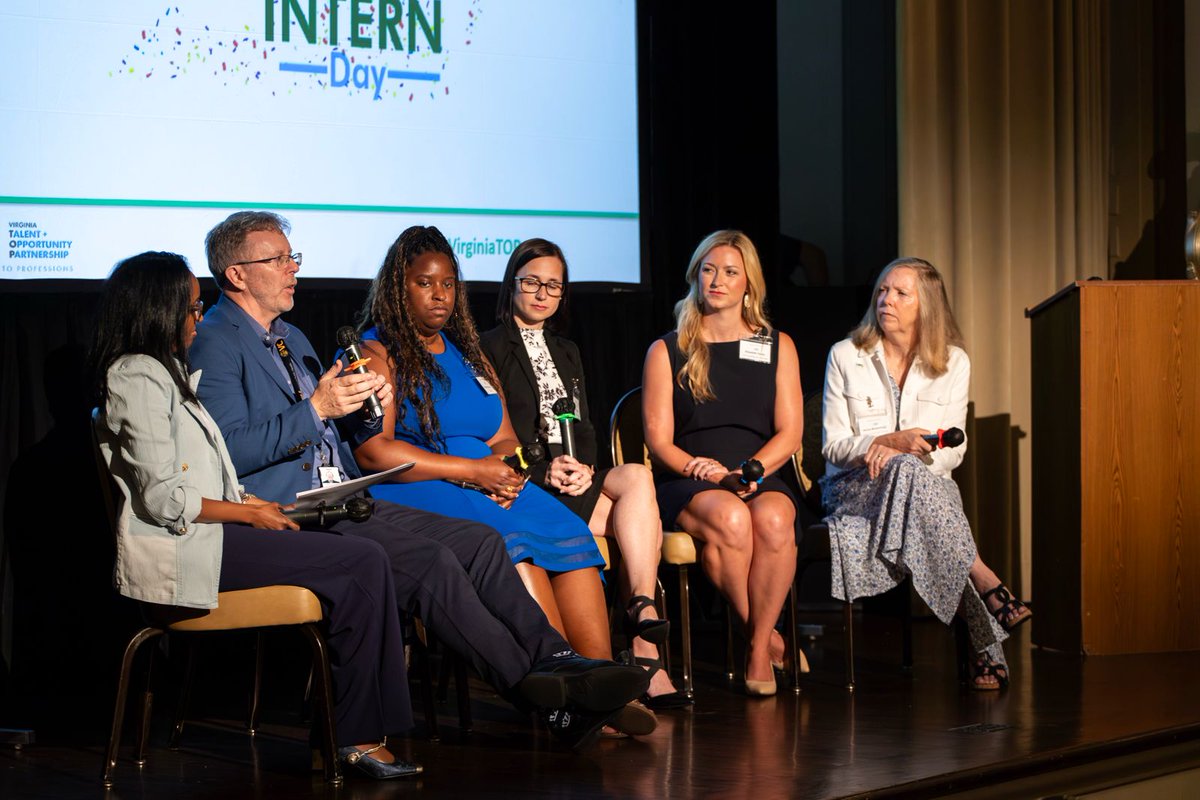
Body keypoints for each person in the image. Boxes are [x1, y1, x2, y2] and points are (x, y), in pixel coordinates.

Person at [187, 211, 649, 750]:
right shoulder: (217, 342)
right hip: (287, 509)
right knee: (442, 555)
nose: (293, 269)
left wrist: (358, 409)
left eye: (294, 257)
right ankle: (553, 698)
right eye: (280, 259)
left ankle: (563, 663)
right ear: (237, 274)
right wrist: (320, 410)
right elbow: (228, 451)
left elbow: (337, 433)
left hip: (338, 496)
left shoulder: (290, 337)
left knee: (478, 542)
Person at [90, 251, 419, 778]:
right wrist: (247, 517)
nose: (199, 319)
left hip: (215, 533)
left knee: (366, 556)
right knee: (361, 563)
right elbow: (163, 499)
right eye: (192, 309)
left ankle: (359, 732)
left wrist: (251, 503)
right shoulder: (137, 375)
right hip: (186, 548)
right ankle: (355, 737)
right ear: (157, 310)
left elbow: (202, 473)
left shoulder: (167, 372)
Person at [347, 226, 657, 737]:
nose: (440, 295)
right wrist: (474, 473)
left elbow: (504, 437)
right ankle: (562, 686)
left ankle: (599, 682)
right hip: (418, 482)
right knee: (513, 542)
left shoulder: (468, 351)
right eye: (425, 284)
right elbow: (373, 451)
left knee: (571, 534)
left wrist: (507, 472)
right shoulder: (376, 351)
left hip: (489, 480)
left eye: (449, 284)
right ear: (397, 288)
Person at [480, 238, 688, 710]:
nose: (541, 294)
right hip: (529, 481)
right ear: (512, 283)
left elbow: (585, 423)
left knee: (635, 476)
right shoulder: (488, 348)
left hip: (574, 476)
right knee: (641, 522)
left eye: (553, 286)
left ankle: (639, 608)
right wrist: (542, 467)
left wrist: (586, 467)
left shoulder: (567, 348)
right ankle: (644, 652)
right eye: (531, 282)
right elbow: (493, 432)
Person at [820, 257, 1032, 690]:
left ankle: (981, 642)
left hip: (926, 487)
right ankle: (985, 592)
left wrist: (908, 456)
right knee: (905, 471)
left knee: (913, 478)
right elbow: (833, 446)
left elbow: (955, 448)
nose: (886, 300)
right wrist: (888, 444)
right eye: (882, 290)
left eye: (900, 293)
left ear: (926, 305)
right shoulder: (845, 355)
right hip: (854, 489)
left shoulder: (953, 362)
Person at [642, 230, 804, 697]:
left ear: (748, 284)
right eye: (709, 270)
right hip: (691, 477)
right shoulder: (667, 349)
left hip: (758, 470)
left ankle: (754, 647)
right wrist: (704, 469)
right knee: (731, 519)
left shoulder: (778, 346)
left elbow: (790, 433)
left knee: (775, 517)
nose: (717, 280)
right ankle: (767, 638)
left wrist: (750, 471)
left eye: (730, 272)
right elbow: (659, 442)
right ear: (696, 277)